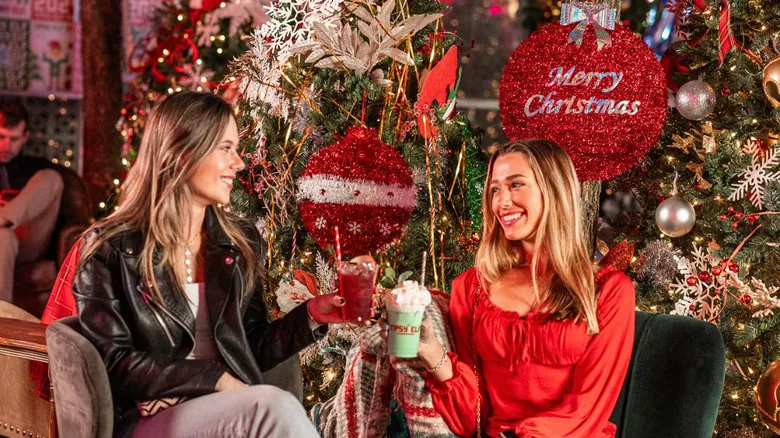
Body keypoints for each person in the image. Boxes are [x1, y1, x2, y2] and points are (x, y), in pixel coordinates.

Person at [72, 91, 352, 438]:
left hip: (229, 412)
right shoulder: (110, 248)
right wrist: (212, 379)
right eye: (226, 149)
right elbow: (111, 362)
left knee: (269, 406)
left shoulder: (238, 242)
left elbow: (247, 347)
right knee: (272, 407)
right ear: (183, 153)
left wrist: (311, 314)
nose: (239, 163)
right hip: (144, 418)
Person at [386, 140, 636, 437]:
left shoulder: (608, 290)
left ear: (553, 190)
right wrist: (432, 353)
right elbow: (473, 419)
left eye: (515, 185)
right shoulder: (472, 288)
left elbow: (586, 411)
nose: (501, 202)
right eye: (495, 189)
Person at [0, 99, 65, 302]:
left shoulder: (35, 168)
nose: (6, 145)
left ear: (25, 137)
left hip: (28, 243)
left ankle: (3, 218)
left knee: (51, 178)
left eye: (14, 139)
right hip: (3, 244)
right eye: (1, 136)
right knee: (3, 236)